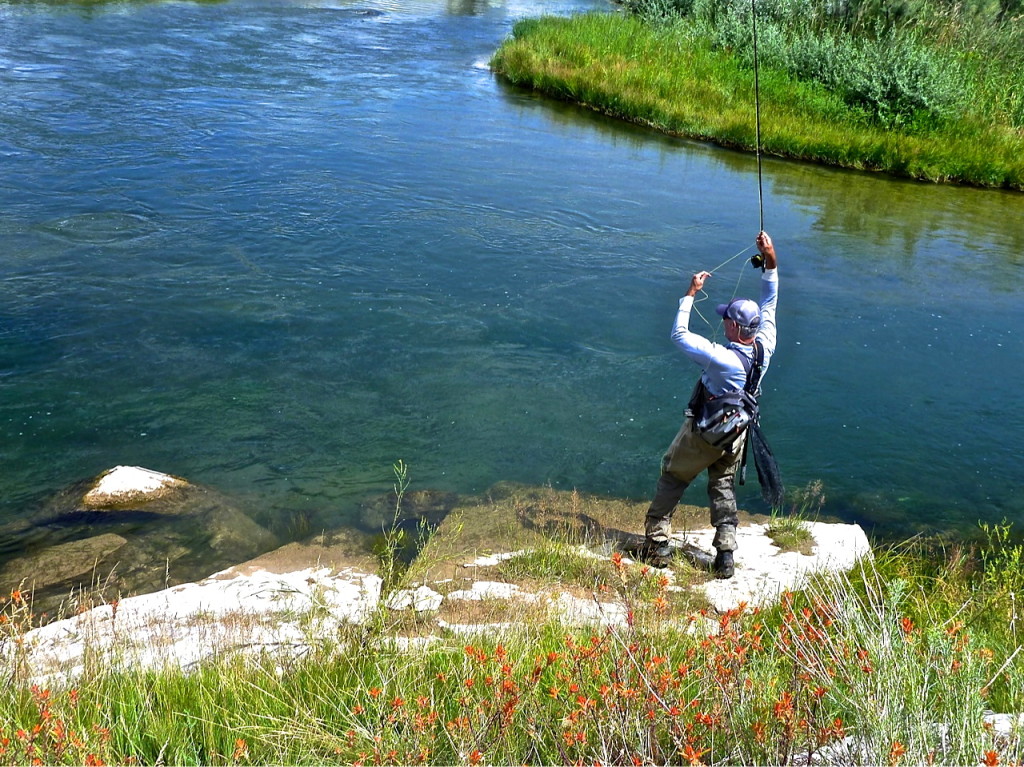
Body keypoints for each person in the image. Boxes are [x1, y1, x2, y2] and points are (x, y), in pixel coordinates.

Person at [639, 231, 779, 578]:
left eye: (725, 319)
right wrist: (770, 257)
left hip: (703, 432)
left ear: (733, 326)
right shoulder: (767, 345)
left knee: (673, 475)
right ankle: (726, 554)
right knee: (723, 486)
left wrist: (690, 294)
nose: (722, 322)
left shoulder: (722, 358)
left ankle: (657, 547)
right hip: (737, 434)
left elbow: (679, 336)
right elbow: (771, 297)